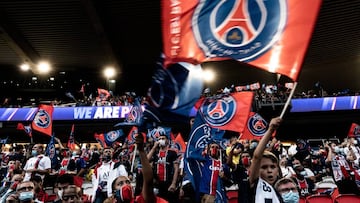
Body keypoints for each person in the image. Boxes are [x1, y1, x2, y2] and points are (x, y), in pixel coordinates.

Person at [248, 117, 283, 203]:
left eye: (273, 167)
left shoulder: (281, 191)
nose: (269, 171)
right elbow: (257, 157)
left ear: (278, 170)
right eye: (264, 167)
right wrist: (271, 130)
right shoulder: (255, 185)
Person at [147, 134, 179, 203]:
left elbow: (176, 169)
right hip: (157, 184)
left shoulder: (172, 153)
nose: (161, 140)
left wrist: (173, 183)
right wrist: (154, 147)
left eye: (163, 138)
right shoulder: (155, 153)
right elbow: (146, 160)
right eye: (159, 139)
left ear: (167, 141)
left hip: (168, 183)